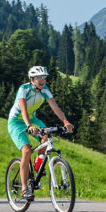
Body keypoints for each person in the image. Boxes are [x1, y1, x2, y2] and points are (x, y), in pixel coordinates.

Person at [7, 66, 74, 201]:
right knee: (26, 151)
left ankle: (38, 166)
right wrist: (29, 126)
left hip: (32, 119)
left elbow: (55, 107)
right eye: (39, 78)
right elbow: (23, 109)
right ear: (32, 79)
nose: (42, 80)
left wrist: (65, 122)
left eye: (44, 78)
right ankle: (24, 189)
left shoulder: (45, 90)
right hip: (16, 122)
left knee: (46, 137)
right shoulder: (23, 89)